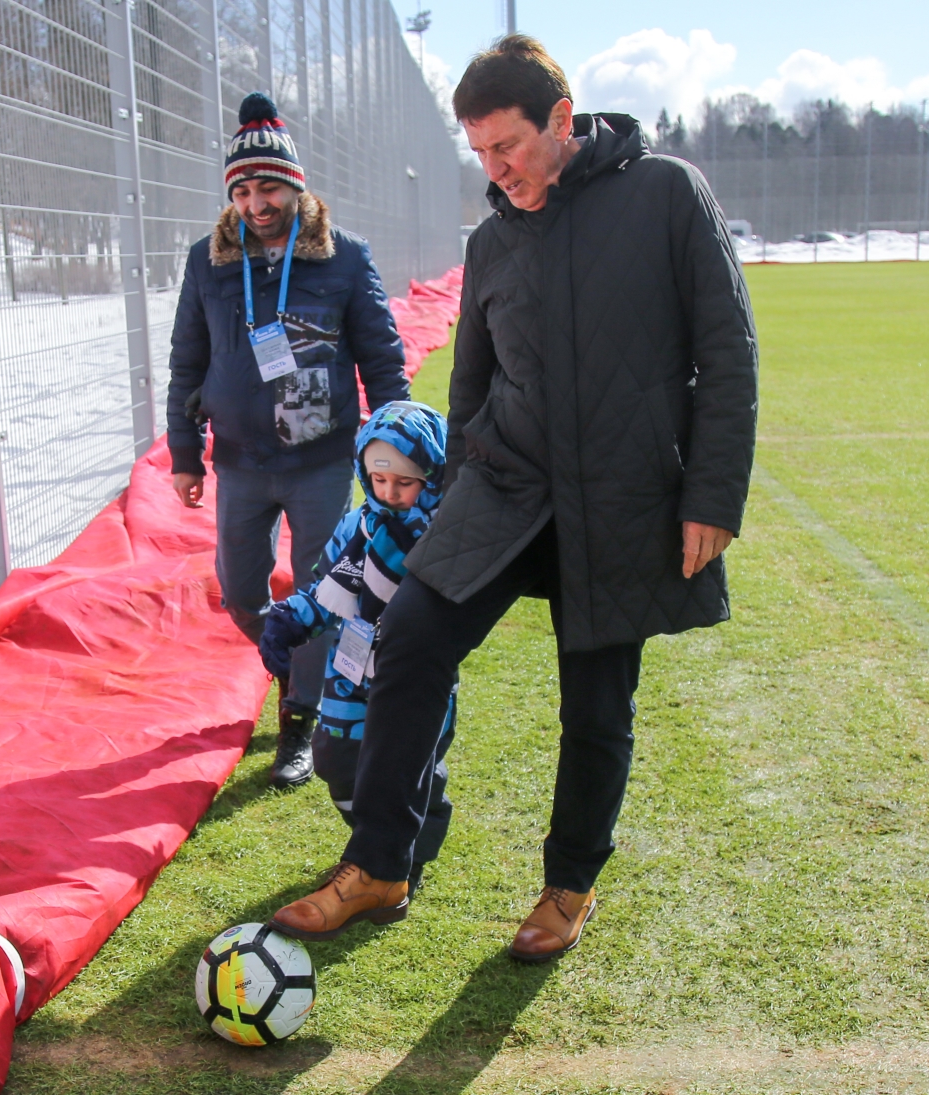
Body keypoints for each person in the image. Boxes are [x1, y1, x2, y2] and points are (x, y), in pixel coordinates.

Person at [269, 35, 758, 958]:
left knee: (597, 701)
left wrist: (712, 494)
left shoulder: (665, 194)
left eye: (508, 149)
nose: (495, 172)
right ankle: (379, 862)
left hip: (621, 495)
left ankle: (568, 886)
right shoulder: (492, 237)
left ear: (561, 123)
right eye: (480, 154)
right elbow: (470, 386)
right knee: (408, 635)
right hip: (505, 485)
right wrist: (448, 494)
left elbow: (727, 352)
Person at [165, 91, 410, 788]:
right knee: (242, 592)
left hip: (321, 459)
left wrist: (398, 446)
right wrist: (185, 454)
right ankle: (300, 666)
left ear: (296, 187)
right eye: (242, 188)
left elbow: (383, 359)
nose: (254, 201)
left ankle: (300, 718)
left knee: (319, 588)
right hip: (240, 460)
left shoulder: (344, 258)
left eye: (268, 185)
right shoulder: (207, 262)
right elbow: (187, 360)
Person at [259, 402, 455, 915]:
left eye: (405, 483)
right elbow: (325, 590)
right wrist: (290, 620)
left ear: (432, 475)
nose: (389, 493)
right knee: (338, 764)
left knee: (410, 771)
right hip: (349, 676)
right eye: (378, 478)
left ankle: (401, 857)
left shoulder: (444, 533)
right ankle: (375, 843)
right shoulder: (357, 528)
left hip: (413, 680)